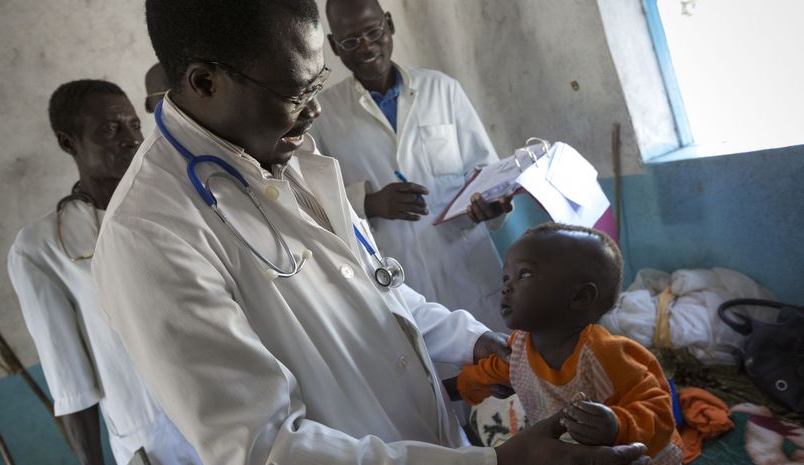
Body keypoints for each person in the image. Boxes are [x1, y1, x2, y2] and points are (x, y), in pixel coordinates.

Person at [91, 1, 649, 464]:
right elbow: (266, 448)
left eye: (317, 86)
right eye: (293, 95)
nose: (312, 115)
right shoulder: (151, 235)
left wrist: (475, 341)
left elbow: (377, 285)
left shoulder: (287, 155)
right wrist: (498, 461)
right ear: (204, 82)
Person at [7, 80, 201, 465]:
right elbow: (71, 380)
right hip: (153, 440)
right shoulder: (43, 248)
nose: (131, 138)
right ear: (68, 143)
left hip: (227, 413)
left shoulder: (178, 203)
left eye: (133, 124)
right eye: (111, 129)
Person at [310, 0, 511, 332]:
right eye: (350, 40)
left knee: (498, 369)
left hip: (468, 272)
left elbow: (486, 172)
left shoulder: (442, 90)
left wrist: (490, 205)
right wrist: (369, 203)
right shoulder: (324, 115)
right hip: (398, 278)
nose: (366, 46)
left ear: (389, 24)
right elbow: (314, 200)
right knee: (433, 374)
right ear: (334, 46)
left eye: (374, 31)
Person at [451, 223, 683, 464]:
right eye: (506, 277)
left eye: (525, 274)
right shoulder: (518, 349)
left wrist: (618, 424)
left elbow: (660, 411)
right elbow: (482, 375)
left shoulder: (607, 353)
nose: (506, 287)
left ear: (580, 297)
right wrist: (444, 391)